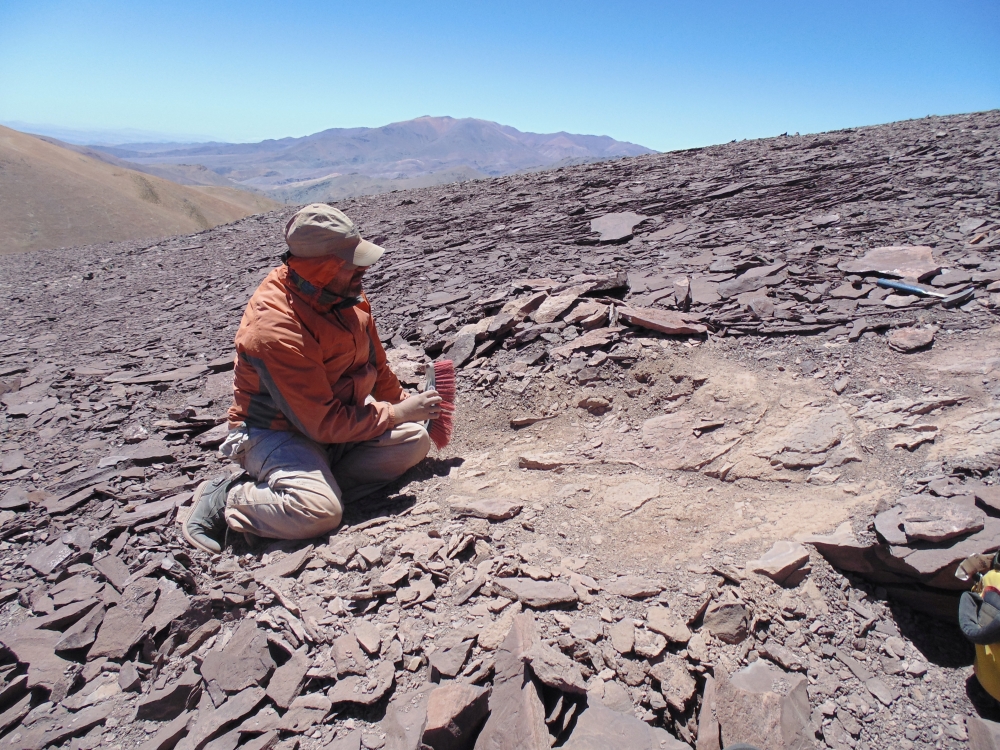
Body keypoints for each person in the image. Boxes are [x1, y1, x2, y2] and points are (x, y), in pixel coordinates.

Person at [182, 204, 442, 554]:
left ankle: (309, 488)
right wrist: (396, 414)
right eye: (353, 264)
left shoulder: (342, 292)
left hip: (331, 425)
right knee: (319, 513)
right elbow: (320, 422)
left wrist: (401, 405)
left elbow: (376, 365)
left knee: (414, 441)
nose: (363, 271)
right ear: (322, 269)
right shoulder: (274, 328)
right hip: (276, 433)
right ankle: (227, 499)